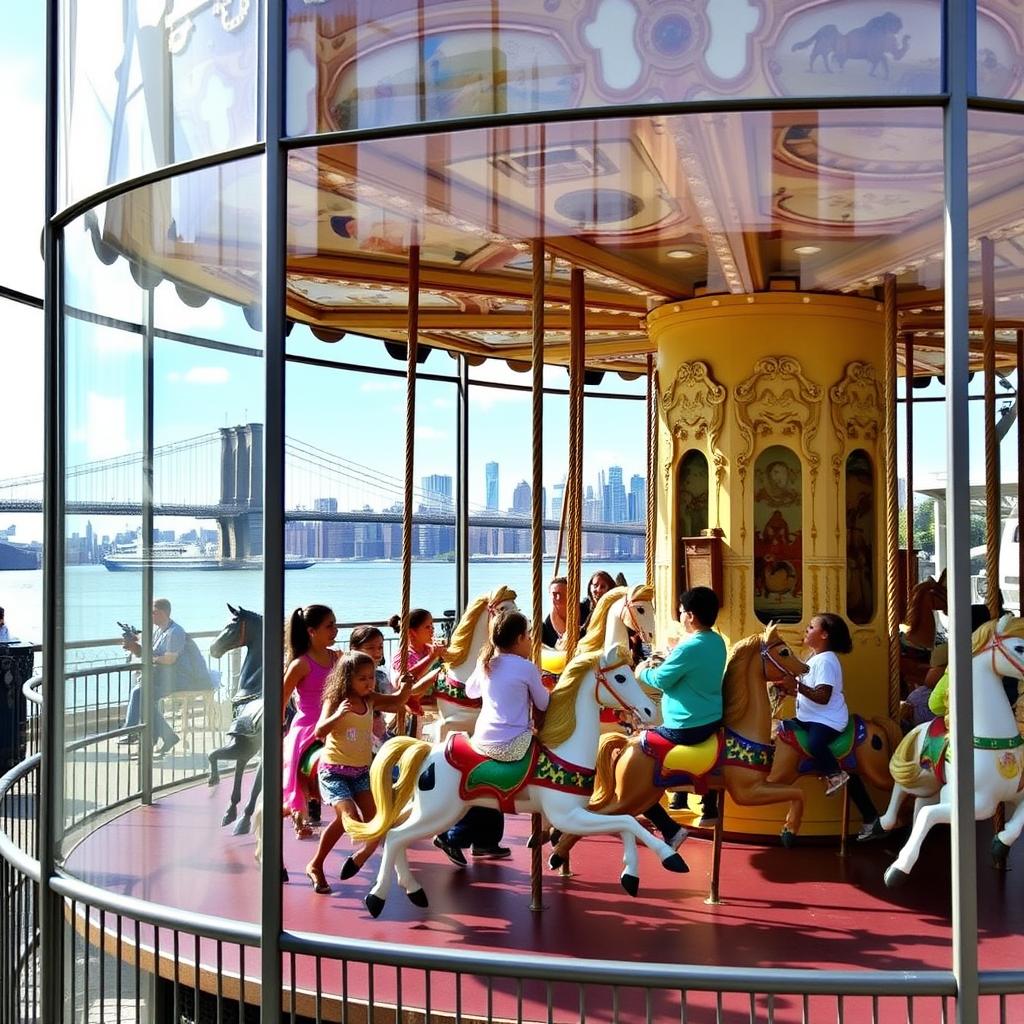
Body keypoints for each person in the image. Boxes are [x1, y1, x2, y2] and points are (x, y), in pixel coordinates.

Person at [434, 611, 549, 866]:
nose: (531, 641)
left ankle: (486, 840)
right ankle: (454, 836)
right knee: (541, 763)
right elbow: (543, 702)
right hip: (512, 740)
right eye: (529, 636)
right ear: (519, 639)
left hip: (482, 738)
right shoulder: (526, 668)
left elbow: (470, 691)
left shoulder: (487, 663)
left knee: (492, 783)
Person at [304, 651, 413, 894]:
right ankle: (316, 865)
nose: (369, 682)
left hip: (361, 772)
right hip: (334, 771)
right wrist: (337, 715)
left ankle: (360, 856)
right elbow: (320, 731)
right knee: (348, 818)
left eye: (371, 677)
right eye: (362, 678)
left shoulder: (370, 699)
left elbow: (397, 702)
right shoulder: (335, 700)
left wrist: (407, 686)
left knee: (378, 822)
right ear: (347, 679)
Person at [636, 587, 727, 846]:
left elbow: (661, 680)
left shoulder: (689, 648)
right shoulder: (717, 641)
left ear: (690, 616)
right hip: (711, 719)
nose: (680, 616)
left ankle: (668, 817)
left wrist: (642, 671)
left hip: (685, 725)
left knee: (640, 750)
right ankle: (700, 799)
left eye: (681, 612)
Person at [118, 598, 210, 757]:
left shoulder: (175, 632)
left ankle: (135, 732)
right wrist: (135, 648)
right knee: (143, 697)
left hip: (180, 679)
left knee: (140, 694)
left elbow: (169, 659)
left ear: (162, 613)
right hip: (165, 677)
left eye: (152, 612)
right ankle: (159, 738)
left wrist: (148, 656)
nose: (149, 615)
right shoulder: (159, 631)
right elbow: (152, 654)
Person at [282, 604, 340, 838]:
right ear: (311, 631)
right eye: (329, 626)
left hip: (333, 722)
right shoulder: (301, 664)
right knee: (307, 771)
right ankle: (299, 814)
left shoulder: (336, 658)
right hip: (308, 728)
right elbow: (282, 697)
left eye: (335, 624)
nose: (335, 630)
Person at [388, 608, 447, 736]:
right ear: (412, 632)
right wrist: (430, 658)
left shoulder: (431, 650)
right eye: (427, 627)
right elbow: (402, 683)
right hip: (412, 713)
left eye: (432, 626)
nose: (432, 630)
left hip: (433, 709)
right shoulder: (404, 656)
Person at [348, 624, 394, 750]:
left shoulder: (380, 676)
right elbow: (392, 704)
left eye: (380, 647)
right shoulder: (352, 681)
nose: (377, 652)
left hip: (378, 732)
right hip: (361, 738)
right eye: (370, 648)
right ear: (355, 649)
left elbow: (393, 701)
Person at [541, 577, 571, 648]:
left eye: (563, 594)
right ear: (550, 595)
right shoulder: (546, 627)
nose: (558, 598)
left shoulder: (585, 612)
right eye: (554, 594)